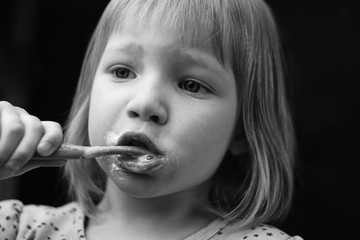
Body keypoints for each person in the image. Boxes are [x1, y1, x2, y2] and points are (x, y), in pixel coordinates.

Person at [0, 0, 303, 239]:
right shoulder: (16, 228)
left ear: (241, 131)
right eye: (123, 72)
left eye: (191, 85)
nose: (145, 104)